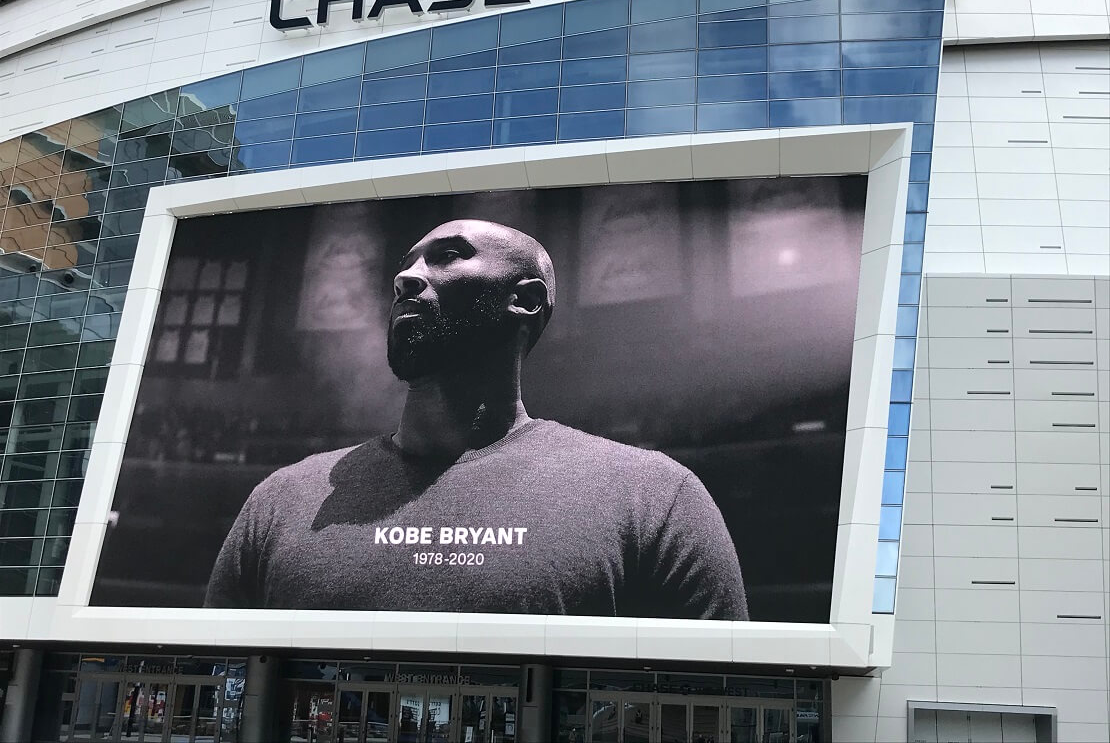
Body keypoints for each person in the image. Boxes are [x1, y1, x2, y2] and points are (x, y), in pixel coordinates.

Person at [205, 219, 748, 619]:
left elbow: (721, 706)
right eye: (407, 262)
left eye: (449, 256)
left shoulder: (652, 499)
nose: (407, 277)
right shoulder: (280, 500)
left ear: (527, 301)